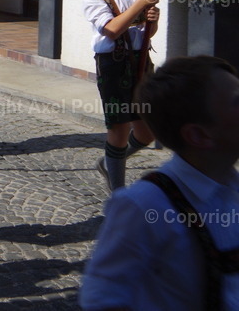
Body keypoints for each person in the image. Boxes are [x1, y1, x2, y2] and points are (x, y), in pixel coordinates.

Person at [80, 55, 239, 310]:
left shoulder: (233, 190)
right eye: (236, 102)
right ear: (198, 135)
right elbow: (102, 296)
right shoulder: (144, 205)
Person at [83, 0, 161, 193]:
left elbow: (145, 34)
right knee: (119, 127)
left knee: (147, 130)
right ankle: (118, 192)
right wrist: (142, 3)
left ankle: (110, 162)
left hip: (141, 61)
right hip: (113, 65)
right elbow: (112, 30)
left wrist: (153, 18)